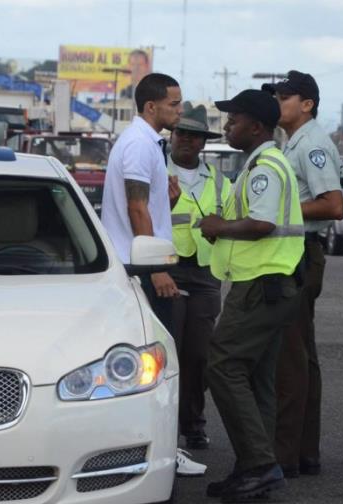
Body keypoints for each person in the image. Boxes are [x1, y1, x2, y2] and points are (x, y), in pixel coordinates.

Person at [98, 72, 206, 477]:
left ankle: (155, 448)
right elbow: (136, 209)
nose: (180, 110)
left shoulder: (146, 144)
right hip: (144, 269)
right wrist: (156, 267)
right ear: (151, 107)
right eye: (174, 104)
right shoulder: (140, 146)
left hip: (143, 264)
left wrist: (167, 195)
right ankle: (160, 451)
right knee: (156, 367)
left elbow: (147, 204)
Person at [199, 89, 304, 502]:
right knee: (256, 376)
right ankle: (254, 467)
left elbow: (260, 224)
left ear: (256, 126)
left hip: (263, 284)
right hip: (268, 283)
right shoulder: (259, 163)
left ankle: (260, 465)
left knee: (222, 366)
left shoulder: (265, 166)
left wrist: (218, 226)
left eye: (234, 118)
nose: (227, 125)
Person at [262, 70, 343, 478]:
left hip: (300, 255)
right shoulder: (294, 141)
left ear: (306, 104)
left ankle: (284, 455)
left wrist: (279, 211)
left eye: (283, 96)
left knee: (289, 360)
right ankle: (304, 452)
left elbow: (333, 206)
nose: (277, 102)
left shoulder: (311, 144)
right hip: (298, 253)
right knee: (302, 358)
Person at [166, 102, 229, 451]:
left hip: (205, 272)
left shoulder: (221, 182)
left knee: (200, 354)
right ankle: (165, 425)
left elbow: (232, 223)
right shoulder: (154, 171)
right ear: (172, 135)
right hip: (165, 268)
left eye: (195, 136)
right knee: (168, 352)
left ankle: (193, 422)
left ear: (204, 142)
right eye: (182, 133)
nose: (188, 140)